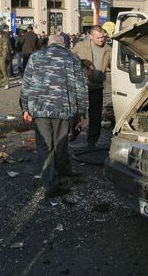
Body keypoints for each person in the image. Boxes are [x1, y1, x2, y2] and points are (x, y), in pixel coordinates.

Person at [20, 34, 88, 198]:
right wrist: (81, 111)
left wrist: (24, 108)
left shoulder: (35, 56)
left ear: (48, 43)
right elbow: (80, 86)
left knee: (45, 147)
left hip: (39, 108)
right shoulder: (72, 57)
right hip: (63, 108)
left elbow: (26, 83)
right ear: (63, 44)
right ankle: (63, 172)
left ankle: (51, 183)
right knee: (60, 143)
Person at [72, 25, 112, 149]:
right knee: (76, 113)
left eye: (103, 37)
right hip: (81, 88)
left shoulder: (108, 49)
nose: (101, 40)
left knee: (95, 116)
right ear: (91, 36)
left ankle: (92, 140)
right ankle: (73, 133)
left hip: (97, 87)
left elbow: (113, 66)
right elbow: (70, 62)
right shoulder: (80, 46)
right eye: (98, 37)